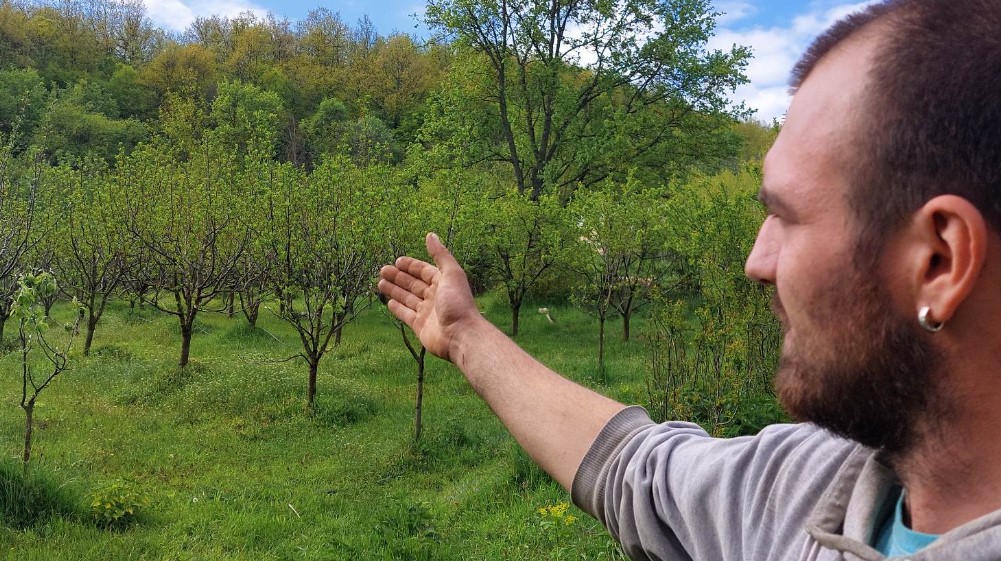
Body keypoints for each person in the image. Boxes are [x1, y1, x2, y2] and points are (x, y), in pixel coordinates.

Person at [378, 0, 1001, 558]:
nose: (757, 262)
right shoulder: (815, 485)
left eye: (786, 215)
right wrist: (465, 333)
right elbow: (631, 470)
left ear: (938, 262)